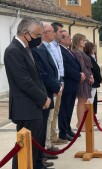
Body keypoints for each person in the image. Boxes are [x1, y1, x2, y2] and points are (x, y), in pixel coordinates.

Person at [4, 17, 51, 169]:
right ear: (26, 33)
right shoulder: (13, 51)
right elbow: (24, 81)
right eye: (37, 35)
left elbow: (35, 77)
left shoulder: (26, 49)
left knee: (32, 149)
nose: (39, 39)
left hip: (33, 106)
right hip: (25, 107)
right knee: (24, 149)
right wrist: (43, 98)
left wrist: (43, 97)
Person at [31, 23, 62, 167]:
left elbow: (52, 68)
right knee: (41, 127)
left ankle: (41, 155)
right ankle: (39, 157)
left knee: (45, 124)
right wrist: (56, 85)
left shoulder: (44, 48)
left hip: (49, 91)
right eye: (51, 31)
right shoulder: (37, 49)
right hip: (43, 93)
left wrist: (56, 85)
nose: (54, 34)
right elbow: (42, 74)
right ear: (44, 33)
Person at [58, 30, 85, 141]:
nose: (70, 38)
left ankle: (68, 129)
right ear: (62, 39)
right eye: (68, 37)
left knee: (69, 109)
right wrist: (78, 75)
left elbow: (74, 65)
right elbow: (66, 69)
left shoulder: (68, 50)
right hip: (68, 83)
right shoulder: (61, 51)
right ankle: (63, 131)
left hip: (73, 84)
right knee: (64, 109)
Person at [72, 33, 94, 131]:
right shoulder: (77, 52)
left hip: (86, 78)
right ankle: (80, 124)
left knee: (84, 101)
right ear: (78, 41)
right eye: (83, 40)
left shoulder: (81, 51)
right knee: (81, 101)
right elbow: (82, 66)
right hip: (82, 79)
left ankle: (81, 123)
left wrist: (91, 76)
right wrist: (89, 77)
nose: (85, 42)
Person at [49, 22, 65, 145]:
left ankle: (54, 136)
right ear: (53, 33)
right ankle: (52, 138)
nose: (62, 34)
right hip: (54, 84)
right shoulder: (50, 47)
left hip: (60, 82)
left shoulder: (57, 46)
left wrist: (61, 81)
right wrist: (56, 84)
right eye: (60, 32)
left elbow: (59, 66)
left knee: (56, 112)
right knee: (52, 113)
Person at [84, 41, 102, 114]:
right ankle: (90, 117)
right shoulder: (89, 57)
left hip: (93, 81)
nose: (94, 50)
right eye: (93, 48)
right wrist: (100, 79)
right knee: (91, 100)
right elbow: (95, 70)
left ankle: (92, 116)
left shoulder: (91, 57)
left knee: (93, 99)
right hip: (92, 81)